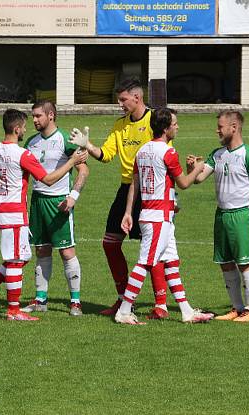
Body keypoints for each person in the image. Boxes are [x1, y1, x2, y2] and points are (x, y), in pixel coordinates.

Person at [67, 78, 170, 320]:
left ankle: (161, 304)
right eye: (118, 100)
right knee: (110, 243)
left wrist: (170, 197)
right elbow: (106, 155)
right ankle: (125, 298)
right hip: (126, 190)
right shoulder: (120, 125)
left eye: (123, 100)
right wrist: (87, 145)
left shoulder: (156, 121)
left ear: (137, 97)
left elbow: (166, 156)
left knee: (154, 249)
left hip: (152, 191)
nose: (120, 104)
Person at [0, 109, 87, 321]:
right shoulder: (23, 154)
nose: (28, 127)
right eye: (25, 125)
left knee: (22, 256)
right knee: (17, 259)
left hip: (1, 211)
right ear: (17, 129)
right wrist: (71, 163)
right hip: (17, 212)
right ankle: (13, 310)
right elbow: (49, 179)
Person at [112, 108, 213, 325]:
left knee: (172, 263)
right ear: (166, 128)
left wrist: (129, 212)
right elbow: (184, 183)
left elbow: (134, 185)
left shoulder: (141, 151)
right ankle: (124, 310)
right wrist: (198, 168)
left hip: (152, 214)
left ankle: (186, 311)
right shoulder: (168, 152)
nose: (177, 127)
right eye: (175, 124)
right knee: (144, 263)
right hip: (159, 218)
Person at [192, 110, 249, 322]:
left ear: (234, 127)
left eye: (220, 126)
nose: (217, 130)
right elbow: (199, 178)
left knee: (244, 262)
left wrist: (247, 204)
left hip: (242, 215)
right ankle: (236, 307)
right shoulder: (217, 154)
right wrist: (193, 167)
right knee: (225, 263)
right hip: (222, 215)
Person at [19, 100, 89, 317]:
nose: (34, 120)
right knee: (41, 250)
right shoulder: (31, 142)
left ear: (51, 115)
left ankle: (75, 301)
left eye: (38, 116)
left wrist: (73, 197)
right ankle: (41, 299)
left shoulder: (64, 140)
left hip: (59, 202)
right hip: (38, 201)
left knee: (67, 252)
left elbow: (83, 171)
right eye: (32, 116)